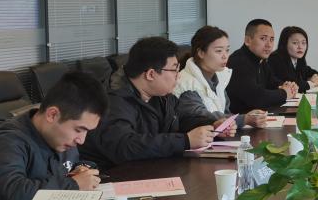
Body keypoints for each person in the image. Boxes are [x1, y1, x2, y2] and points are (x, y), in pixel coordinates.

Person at [0, 71, 109, 200]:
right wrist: (73, 185)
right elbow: (11, 196)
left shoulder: (62, 139)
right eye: (78, 130)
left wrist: (82, 169)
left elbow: (70, 166)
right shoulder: (7, 141)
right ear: (52, 115)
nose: (81, 140)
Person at [81, 37, 218, 168]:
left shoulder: (161, 95)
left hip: (150, 168)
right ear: (151, 74)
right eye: (174, 70)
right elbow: (124, 146)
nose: (179, 75)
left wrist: (212, 125)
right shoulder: (114, 101)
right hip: (111, 174)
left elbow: (180, 120)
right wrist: (185, 141)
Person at [174, 26, 265, 131]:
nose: (225, 56)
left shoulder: (220, 77)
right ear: (201, 53)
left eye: (227, 50)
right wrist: (244, 119)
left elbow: (225, 113)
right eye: (219, 51)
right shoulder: (186, 84)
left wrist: (246, 117)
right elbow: (203, 118)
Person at [226, 19, 299, 114]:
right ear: (248, 40)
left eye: (271, 39)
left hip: (259, 117)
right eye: (263, 39)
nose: (269, 45)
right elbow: (257, 98)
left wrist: (289, 86)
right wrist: (285, 93)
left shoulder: (260, 60)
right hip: (240, 120)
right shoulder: (238, 62)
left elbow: (272, 83)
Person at [267, 26, 318, 94]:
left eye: (303, 43)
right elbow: (293, 85)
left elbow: (312, 72)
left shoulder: (298, 59)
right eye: (295, 43)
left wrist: (317, 77)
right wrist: (312, 83)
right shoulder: (276, 58)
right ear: (284, 44)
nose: (300, 47)